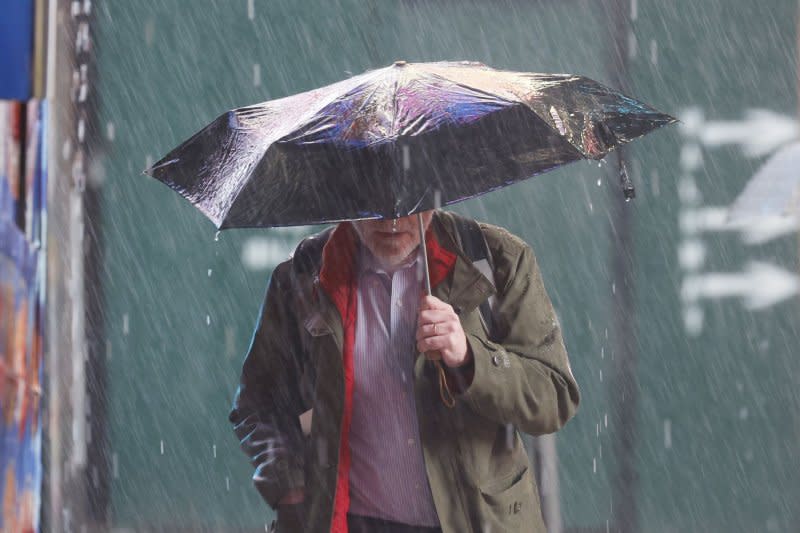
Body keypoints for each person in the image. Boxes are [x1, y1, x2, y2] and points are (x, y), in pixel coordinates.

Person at [229, 209, 580, 533]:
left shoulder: (497, 260)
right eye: (373, 195)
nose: (393, 216)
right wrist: (289, 486)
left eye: (406, 200)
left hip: (476, 520)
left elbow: (553, 395)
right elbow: (258, 403)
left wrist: (470, 357)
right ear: (347, 191)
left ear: (429, 182)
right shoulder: (304, 276)